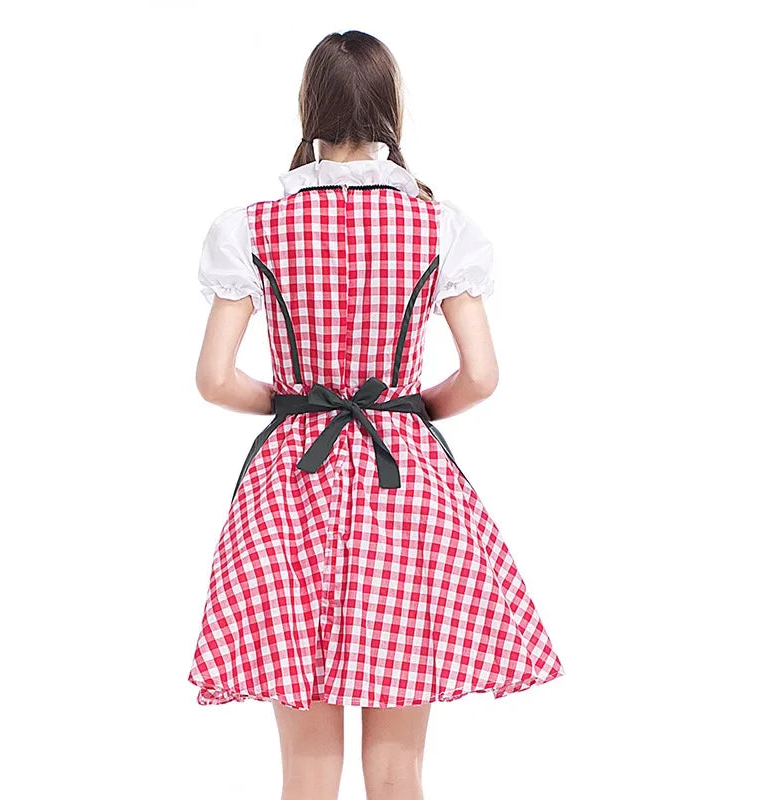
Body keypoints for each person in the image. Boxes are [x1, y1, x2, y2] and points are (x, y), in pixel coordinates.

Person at [188, 29, 565, 800]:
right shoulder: (439, 225)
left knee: (306, 771)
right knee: (398, 772)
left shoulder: (253, 226)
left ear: (309, 108)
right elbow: (482, 376)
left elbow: (214, 379)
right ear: (391, 107)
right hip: (405, 488)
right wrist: (408, 410)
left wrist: (291, 404)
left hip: (291, 487)